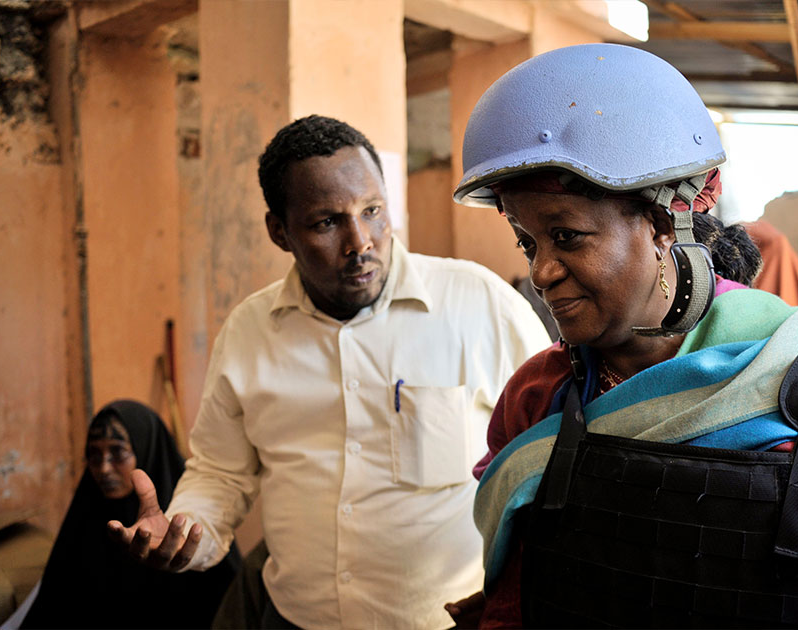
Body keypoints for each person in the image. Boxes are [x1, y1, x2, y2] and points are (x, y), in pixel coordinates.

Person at [451, 44, 798, 628]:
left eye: (568, 236)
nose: (540, 272)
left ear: (663, 224)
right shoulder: (537, 396)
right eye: (528, 244)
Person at [107, 115, 551, 629]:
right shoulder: (250, 332)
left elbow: (547, 461)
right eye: (326, 223)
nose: (360, 241)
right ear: (280, 232)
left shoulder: (480, 306)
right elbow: (221, 473)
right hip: (295, 619)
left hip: (450, 621)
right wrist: (188, 535)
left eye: (372, 211)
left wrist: (516, 591)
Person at [22, 400, 240, 629]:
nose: (104, 468)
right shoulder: (86, 521)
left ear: (147, 451)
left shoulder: (188, 523)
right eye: (94, 455)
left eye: (118, 453)